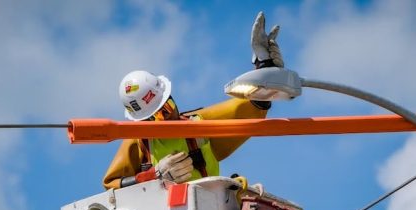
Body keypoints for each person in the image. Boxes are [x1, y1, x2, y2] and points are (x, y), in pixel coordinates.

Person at [102, 12, 285, 190]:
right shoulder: (138, 142)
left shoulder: (198, 124)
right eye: (156, 116)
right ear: (142, 121)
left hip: (207, 209)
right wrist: (153, 176)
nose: (167, 117)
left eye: (167, 107)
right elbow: (112, 186)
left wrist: (265, 69)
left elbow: (250, 108)